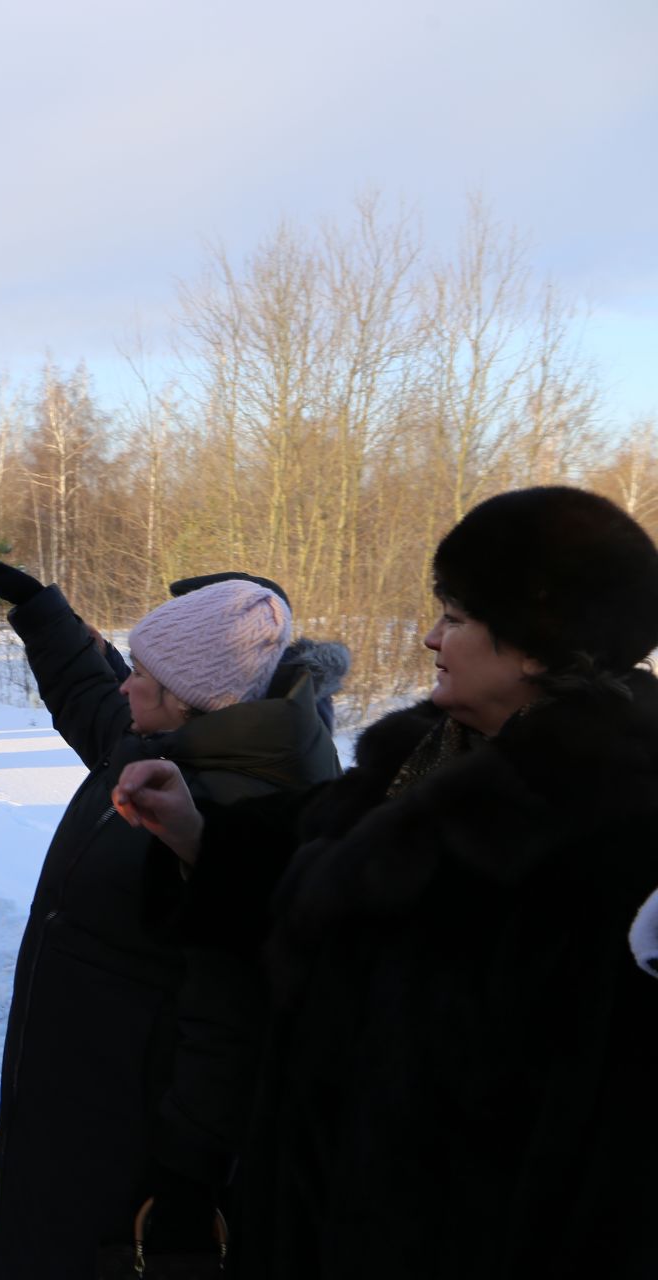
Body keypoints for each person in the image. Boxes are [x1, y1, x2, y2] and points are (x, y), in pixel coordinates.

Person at [111, 486, 658, 1278]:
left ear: (539, 642)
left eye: (460, 618)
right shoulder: (426, 757)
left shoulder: (611, 836)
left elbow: (608, 1159)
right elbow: (310, 863)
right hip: (318, 1217)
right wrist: (194, 831)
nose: (430, 637)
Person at [0, 555, 343, 1277]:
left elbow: (231, 1016)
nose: (126, 679)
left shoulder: (241, 810)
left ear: (191, 698)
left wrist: (188, 1170)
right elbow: (92, 691)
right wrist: (39, 609)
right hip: (74, 1100)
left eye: (145, 677)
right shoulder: (160, 744)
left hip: (125, 1136)